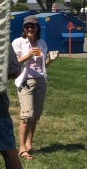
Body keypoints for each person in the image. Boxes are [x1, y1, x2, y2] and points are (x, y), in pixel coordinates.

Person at [11, 15, 56, 158]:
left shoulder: (41, 43)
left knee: (35, 115)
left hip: (40, 81)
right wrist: (29, 55)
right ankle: (22, 148)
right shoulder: (18, 42)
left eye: (33, 26)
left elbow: (43, 66)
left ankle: (29, 144)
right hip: (26, 81)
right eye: (27, 26)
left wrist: (50, 60)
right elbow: (15, 63)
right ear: (23, 29)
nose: (30, 29)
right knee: (27, 115)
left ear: (37, 28)